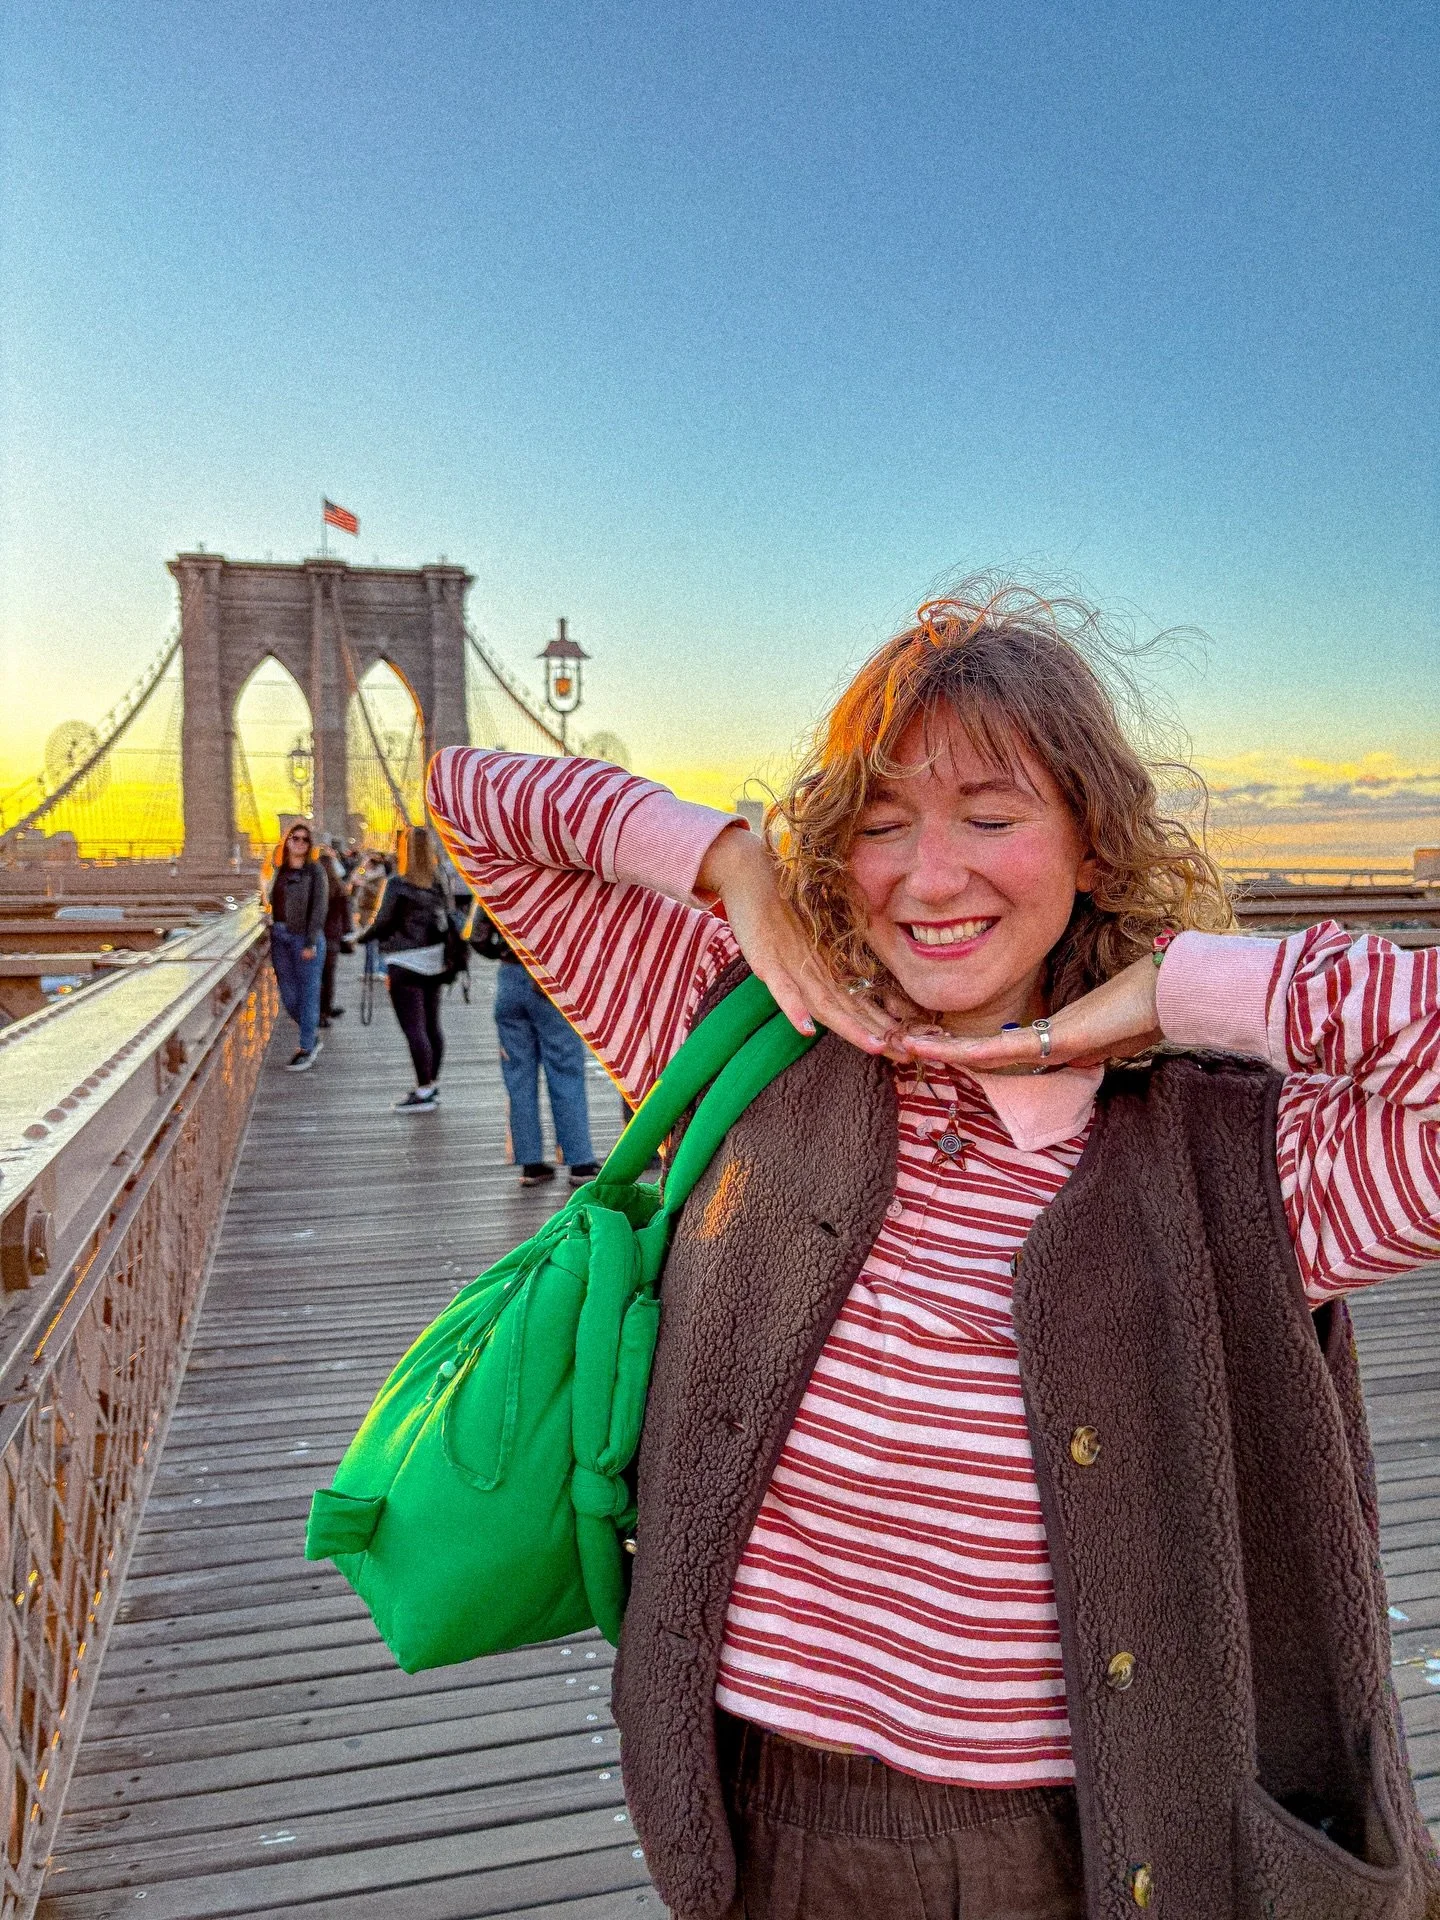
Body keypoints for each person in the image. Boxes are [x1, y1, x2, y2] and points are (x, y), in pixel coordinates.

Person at [426, 581, 1440, 1920]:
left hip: (1092, 1846)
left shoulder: (1246, 1160)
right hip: (774, 1820)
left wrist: (1186, 989)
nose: (930, 876)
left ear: (1091, 844)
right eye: (882, 825)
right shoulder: (738, 1036)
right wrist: (734, 866)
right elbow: (473, 798)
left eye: (993, 817)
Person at [468, 904, 599, 1187]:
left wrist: (503, 952)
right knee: (565, 1071)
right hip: (548, 976)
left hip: (509, 979)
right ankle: (580, 1162)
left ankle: (530, 1164)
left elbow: (476, 937)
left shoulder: (494, 879)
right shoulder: (550, 883)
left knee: (517, 1076)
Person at [358, 824, 452, 1112]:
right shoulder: (438, 882)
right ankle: (431, 1083)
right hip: (435, 961)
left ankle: (423, 1091)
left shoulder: (397, 883)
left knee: (414, 1028)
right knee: (432, 1025)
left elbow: (383, 922)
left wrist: (359, 937)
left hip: (404, 962)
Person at [261, 819, 327, 1071]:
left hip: (305, 939)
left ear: (310, 845)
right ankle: (311, 1035)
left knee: (308, 994)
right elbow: (269, 900)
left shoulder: (315, 871)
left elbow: (319, 908)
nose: (299, 843)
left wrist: (310, 942)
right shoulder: (279, 870)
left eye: (304, 839)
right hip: (279, 938)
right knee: (289, 996)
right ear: (287, 841)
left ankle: (306, 1047)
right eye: (295, 838)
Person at [318, 838, 352, 1027]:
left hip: (316, 936)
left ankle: (320, 1013)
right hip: (333, 936)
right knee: (329, 976)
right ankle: (326, 1009)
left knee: (317, 977)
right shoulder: (340, 888)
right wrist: (347, 935)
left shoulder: (314, 888)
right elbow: (346, 915)